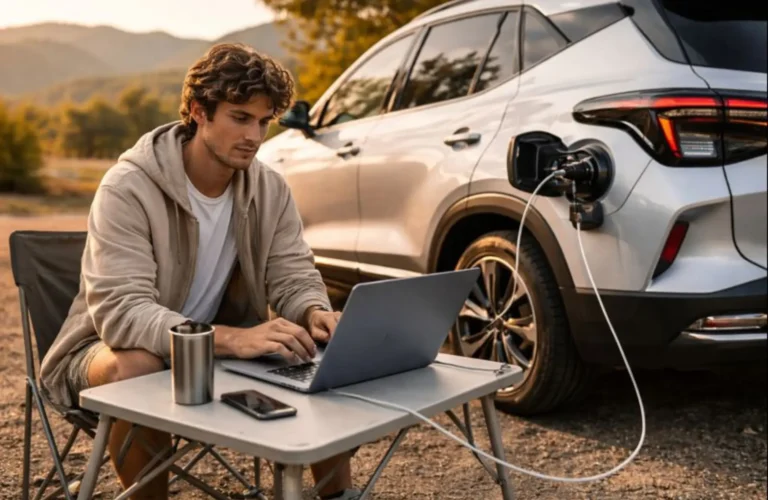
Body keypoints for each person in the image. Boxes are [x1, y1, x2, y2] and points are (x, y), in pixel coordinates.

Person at [40, 43, 359, 500]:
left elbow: (293, 272)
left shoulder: (269, 188)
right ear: (199, 112)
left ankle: (338, 495)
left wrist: (313, 313)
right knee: (138, 368)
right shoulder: (128, 186)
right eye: (239, 117)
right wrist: (230, 337)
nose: (254, 135)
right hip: (106, 352)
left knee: (311, 347)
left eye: (263, 121)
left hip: (217, 353)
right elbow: (121, 312)